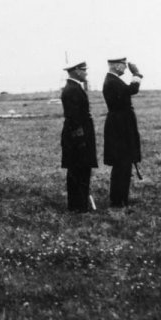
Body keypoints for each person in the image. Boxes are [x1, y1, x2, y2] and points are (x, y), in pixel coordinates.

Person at [102, 57, 143, 211]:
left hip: (120, 125)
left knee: (123, 165)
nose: (125, 69)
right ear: (117, 66)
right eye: (124, 66)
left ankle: (120, 200)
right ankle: (118, 201)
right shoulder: (112, 81)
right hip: (120, 127)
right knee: (122, 164)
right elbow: (132, 90)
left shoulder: (112, 80)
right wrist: (137, 74)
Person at [61, 62, 98, 212]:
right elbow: (74, 118)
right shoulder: (72, 90)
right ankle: (78, 206)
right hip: (77, 139)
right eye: (83, 70)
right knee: (79, 170)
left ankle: (78, 204)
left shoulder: (74, 88)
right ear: (76, 71)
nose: (86, 73)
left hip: (78, 136)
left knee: (79, 171)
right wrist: (81, 140)